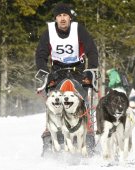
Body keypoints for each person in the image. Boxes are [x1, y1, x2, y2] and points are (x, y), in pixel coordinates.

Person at [35, 2, 98, 155]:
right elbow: (40, 54)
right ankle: (51, 129)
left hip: (78, 69)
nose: (62, 19)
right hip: (57, 71)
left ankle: (86, 126)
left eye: (65, 15)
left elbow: (92, 50)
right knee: (54, 98)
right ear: (55, 18)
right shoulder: (49, 32)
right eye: (59, 16)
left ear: (70, 17)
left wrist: (91, 69)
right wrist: (43, 71)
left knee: (82, 97)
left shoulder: (78, 29)